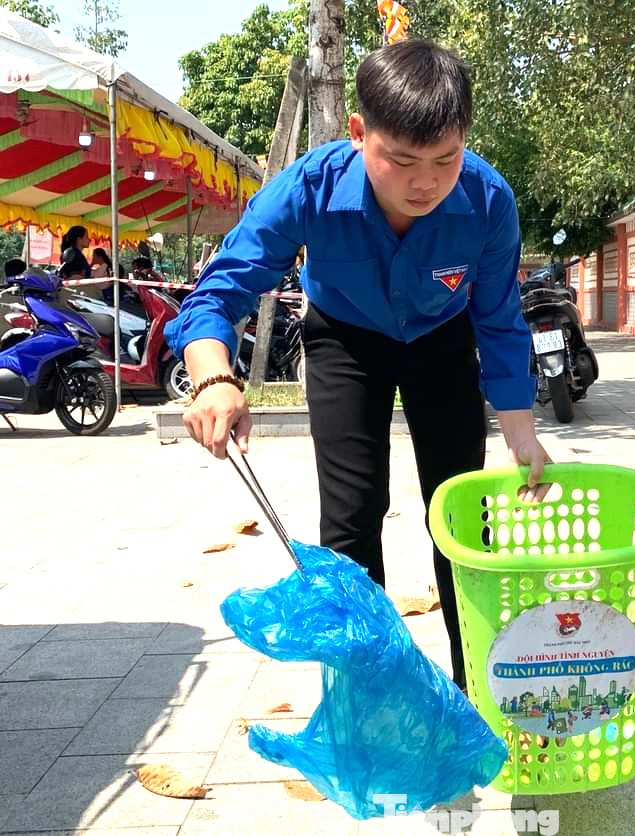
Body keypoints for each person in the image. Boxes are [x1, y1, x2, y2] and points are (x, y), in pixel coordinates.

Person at [164, 40, 550, 690]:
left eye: (444, 159)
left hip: (440, 340)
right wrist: (212, 377)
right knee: (352, 513)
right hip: (345, 339)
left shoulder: (487, 200)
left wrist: (520, 436)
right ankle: (367, 697)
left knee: (461, 516)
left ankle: (483, 691)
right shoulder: (308, 188)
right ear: (358, 133)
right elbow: (222, 288)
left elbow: (499, 320)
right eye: (400, 160)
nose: (423, 181)